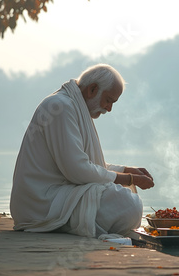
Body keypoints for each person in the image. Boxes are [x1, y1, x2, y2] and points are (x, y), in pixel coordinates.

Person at [10, 64, 154, 238]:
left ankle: (77, 223)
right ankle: (66, 224)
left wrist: (125, 170)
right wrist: (129, 179)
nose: (109, 109)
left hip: (56, 197)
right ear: (92, 89)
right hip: (41, 204)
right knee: (127, 204)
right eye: (108, 100)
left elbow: (86, 164)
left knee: (126, 200)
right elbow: (77, 171)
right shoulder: (60, 107)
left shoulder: (72, 105)